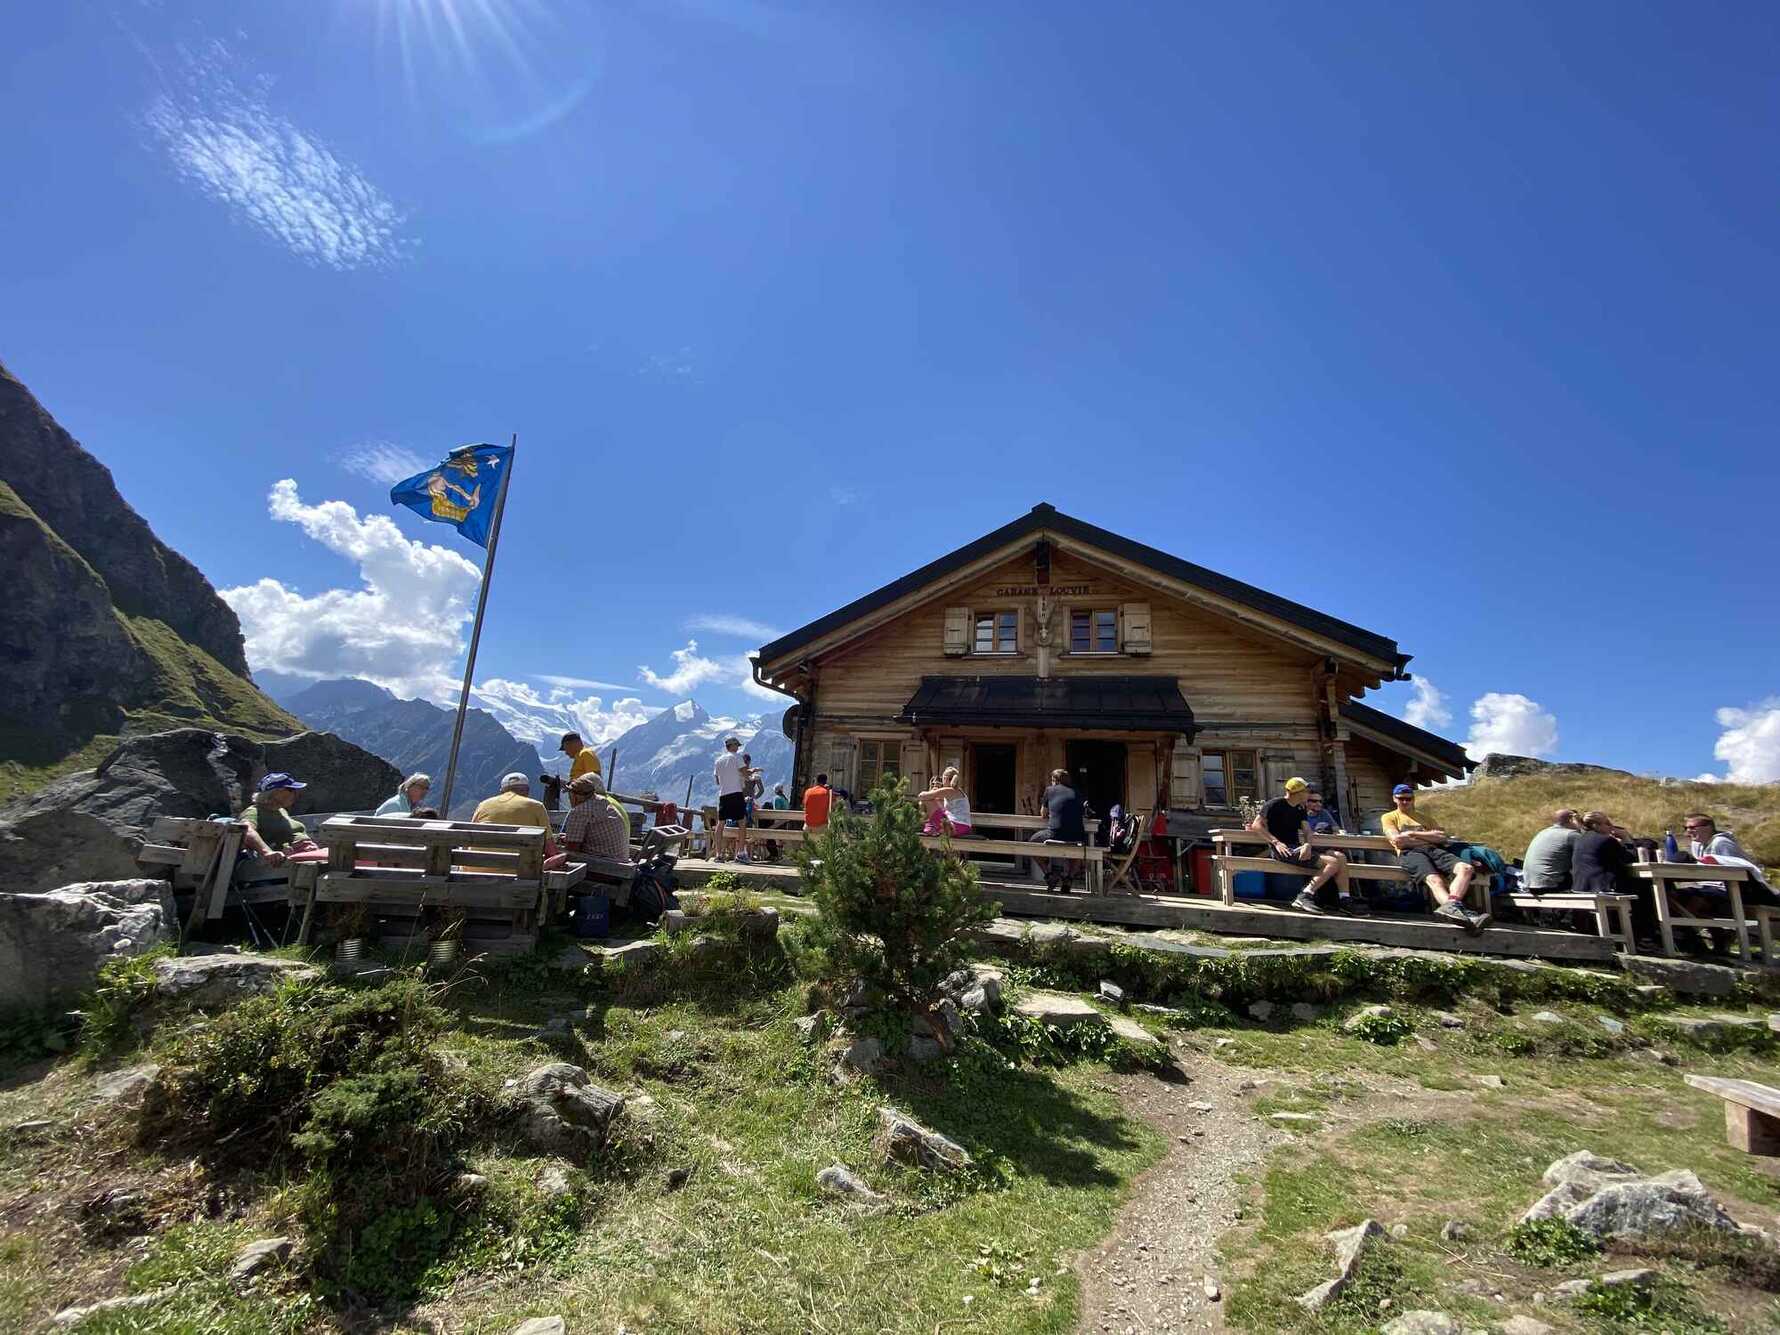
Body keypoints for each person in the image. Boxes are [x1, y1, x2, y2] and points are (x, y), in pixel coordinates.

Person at [1381, 784, 1491, 932]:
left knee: (1466, 868)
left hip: (1435, 850)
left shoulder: (1426, 818)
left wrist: (1412, 834)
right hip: (1410, 853)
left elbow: (1441, 837)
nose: (1405, 802)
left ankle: (1453, 906)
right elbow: (1398, 841)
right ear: (1395, 799)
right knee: (1435, 880)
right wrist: (1428, 837)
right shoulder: (1389, 817)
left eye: (1408, 798)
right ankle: (1464, 915)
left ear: (1413, 799)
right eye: (1401, 799)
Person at [1251, 777, 1363, 916]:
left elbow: (1307, 831)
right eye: (1306, 791)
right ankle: (1305, 895)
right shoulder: (1275, 804)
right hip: (1282, 849)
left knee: (1340, 857)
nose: (1308, 794)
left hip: (1297, 847)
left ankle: (1344, 899)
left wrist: (1307, 844)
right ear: (1296, 792)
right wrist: (1276, 842)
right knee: (1332, 862)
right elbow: (1256, 825)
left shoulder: (1300, 808)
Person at [471, 773, 561, 860]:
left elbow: (470, 835)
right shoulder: (536, 806)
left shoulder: (482, 805)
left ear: (501, 791)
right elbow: (550, 850)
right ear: (527, 790)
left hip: (474, 866)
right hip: (520, 868)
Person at [239, 772, 320, 867]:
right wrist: (267, 852)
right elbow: (246, 830)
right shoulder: (253, 812)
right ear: (275, 792)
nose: (295, 793)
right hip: (290, 864)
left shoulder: (281, 811)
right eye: (290, 789)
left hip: (307, 853)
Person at [1027, 769, 1087, 892]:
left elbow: (1043, 814)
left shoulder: (1049, 790)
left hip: (1055, 833)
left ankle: (1048, 874)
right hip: (1077, 835)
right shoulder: (1077, 792)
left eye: (1052, 780)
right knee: (1079, 848)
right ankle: (1069, 878)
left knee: (1031, 843)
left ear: (1055, 780)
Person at [561, 773, 631, 863]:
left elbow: (572, 850)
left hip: (604, 863)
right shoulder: (603, 802)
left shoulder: (579, 811)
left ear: (574, 796)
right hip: (621, 859)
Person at [1521, 809, 1581, 892]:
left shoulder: (1543, 832)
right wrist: (1579, 827)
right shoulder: (1571, 834)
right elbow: (1587, 851)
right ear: (1571, 820)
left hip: (1530, 883)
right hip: (1550, 884)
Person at [713, 736, 748, 863]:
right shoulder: (737, 757)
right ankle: (741, 853)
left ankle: (718, 854)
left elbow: (717, 781)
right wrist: (752, 773)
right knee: (742, 822)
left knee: (720, 823)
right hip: (736, 793)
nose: (738, 747)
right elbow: (745, 773)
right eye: (737, 745)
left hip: (723, 794)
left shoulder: (718, 760)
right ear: (732, 746)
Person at [917, 767, 974, 837]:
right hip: (965, 827)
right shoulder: (959, 792)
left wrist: (932, 792)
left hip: (955, 826)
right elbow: (941, 806)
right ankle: (934, 827)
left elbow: (922, 796)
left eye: (943, 778)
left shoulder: (948, 790)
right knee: (935, 802)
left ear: (946, 778)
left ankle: (931, 826)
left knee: (928, 800)